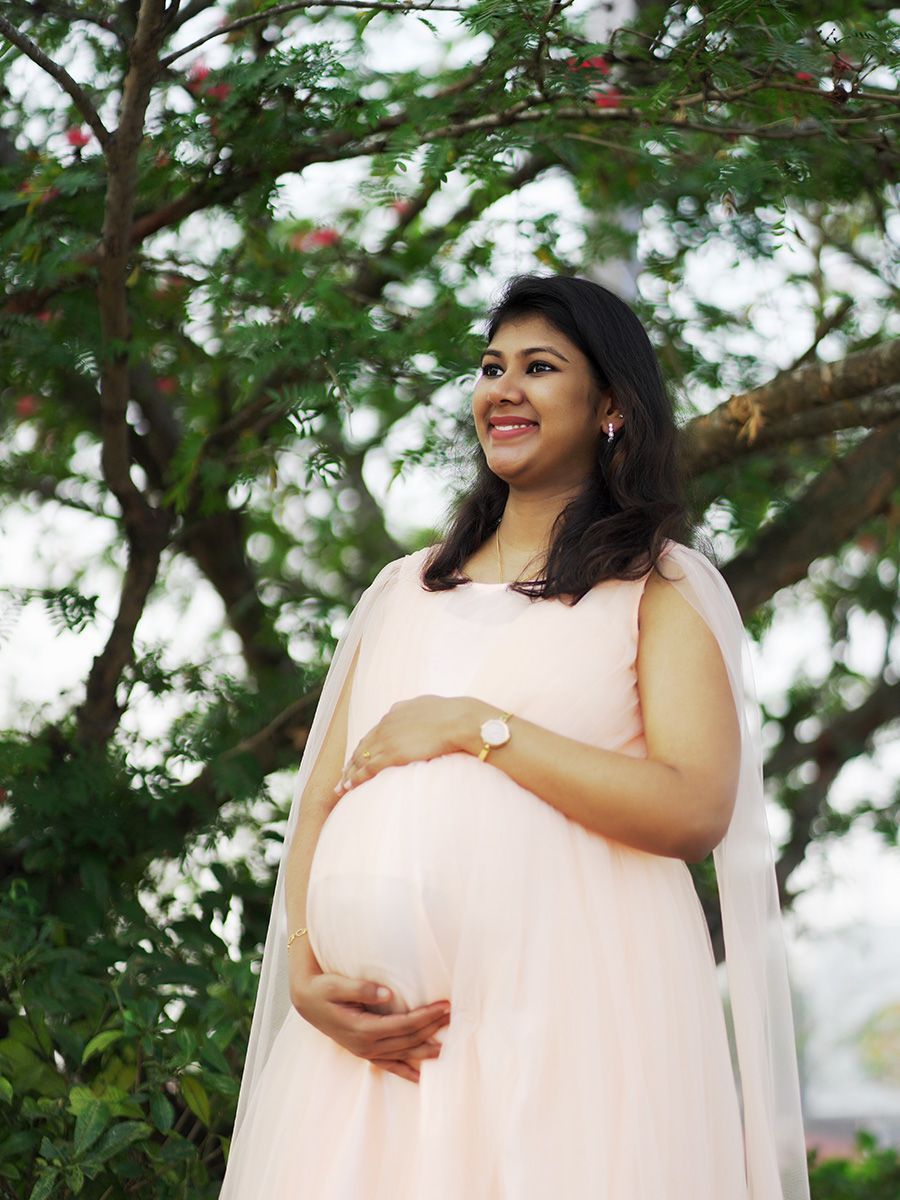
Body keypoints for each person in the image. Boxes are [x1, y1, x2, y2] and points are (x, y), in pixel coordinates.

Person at [219, 275, 811, 1199]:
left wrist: (474, 728)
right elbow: (318, 809)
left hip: (567, 1034)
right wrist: (303, 973)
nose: (504, 388)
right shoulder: (402, 589)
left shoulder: (659, 589)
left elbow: (696, 806)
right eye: (492, 367)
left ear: (611, 405)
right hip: (370, 1055)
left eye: (540, 368)